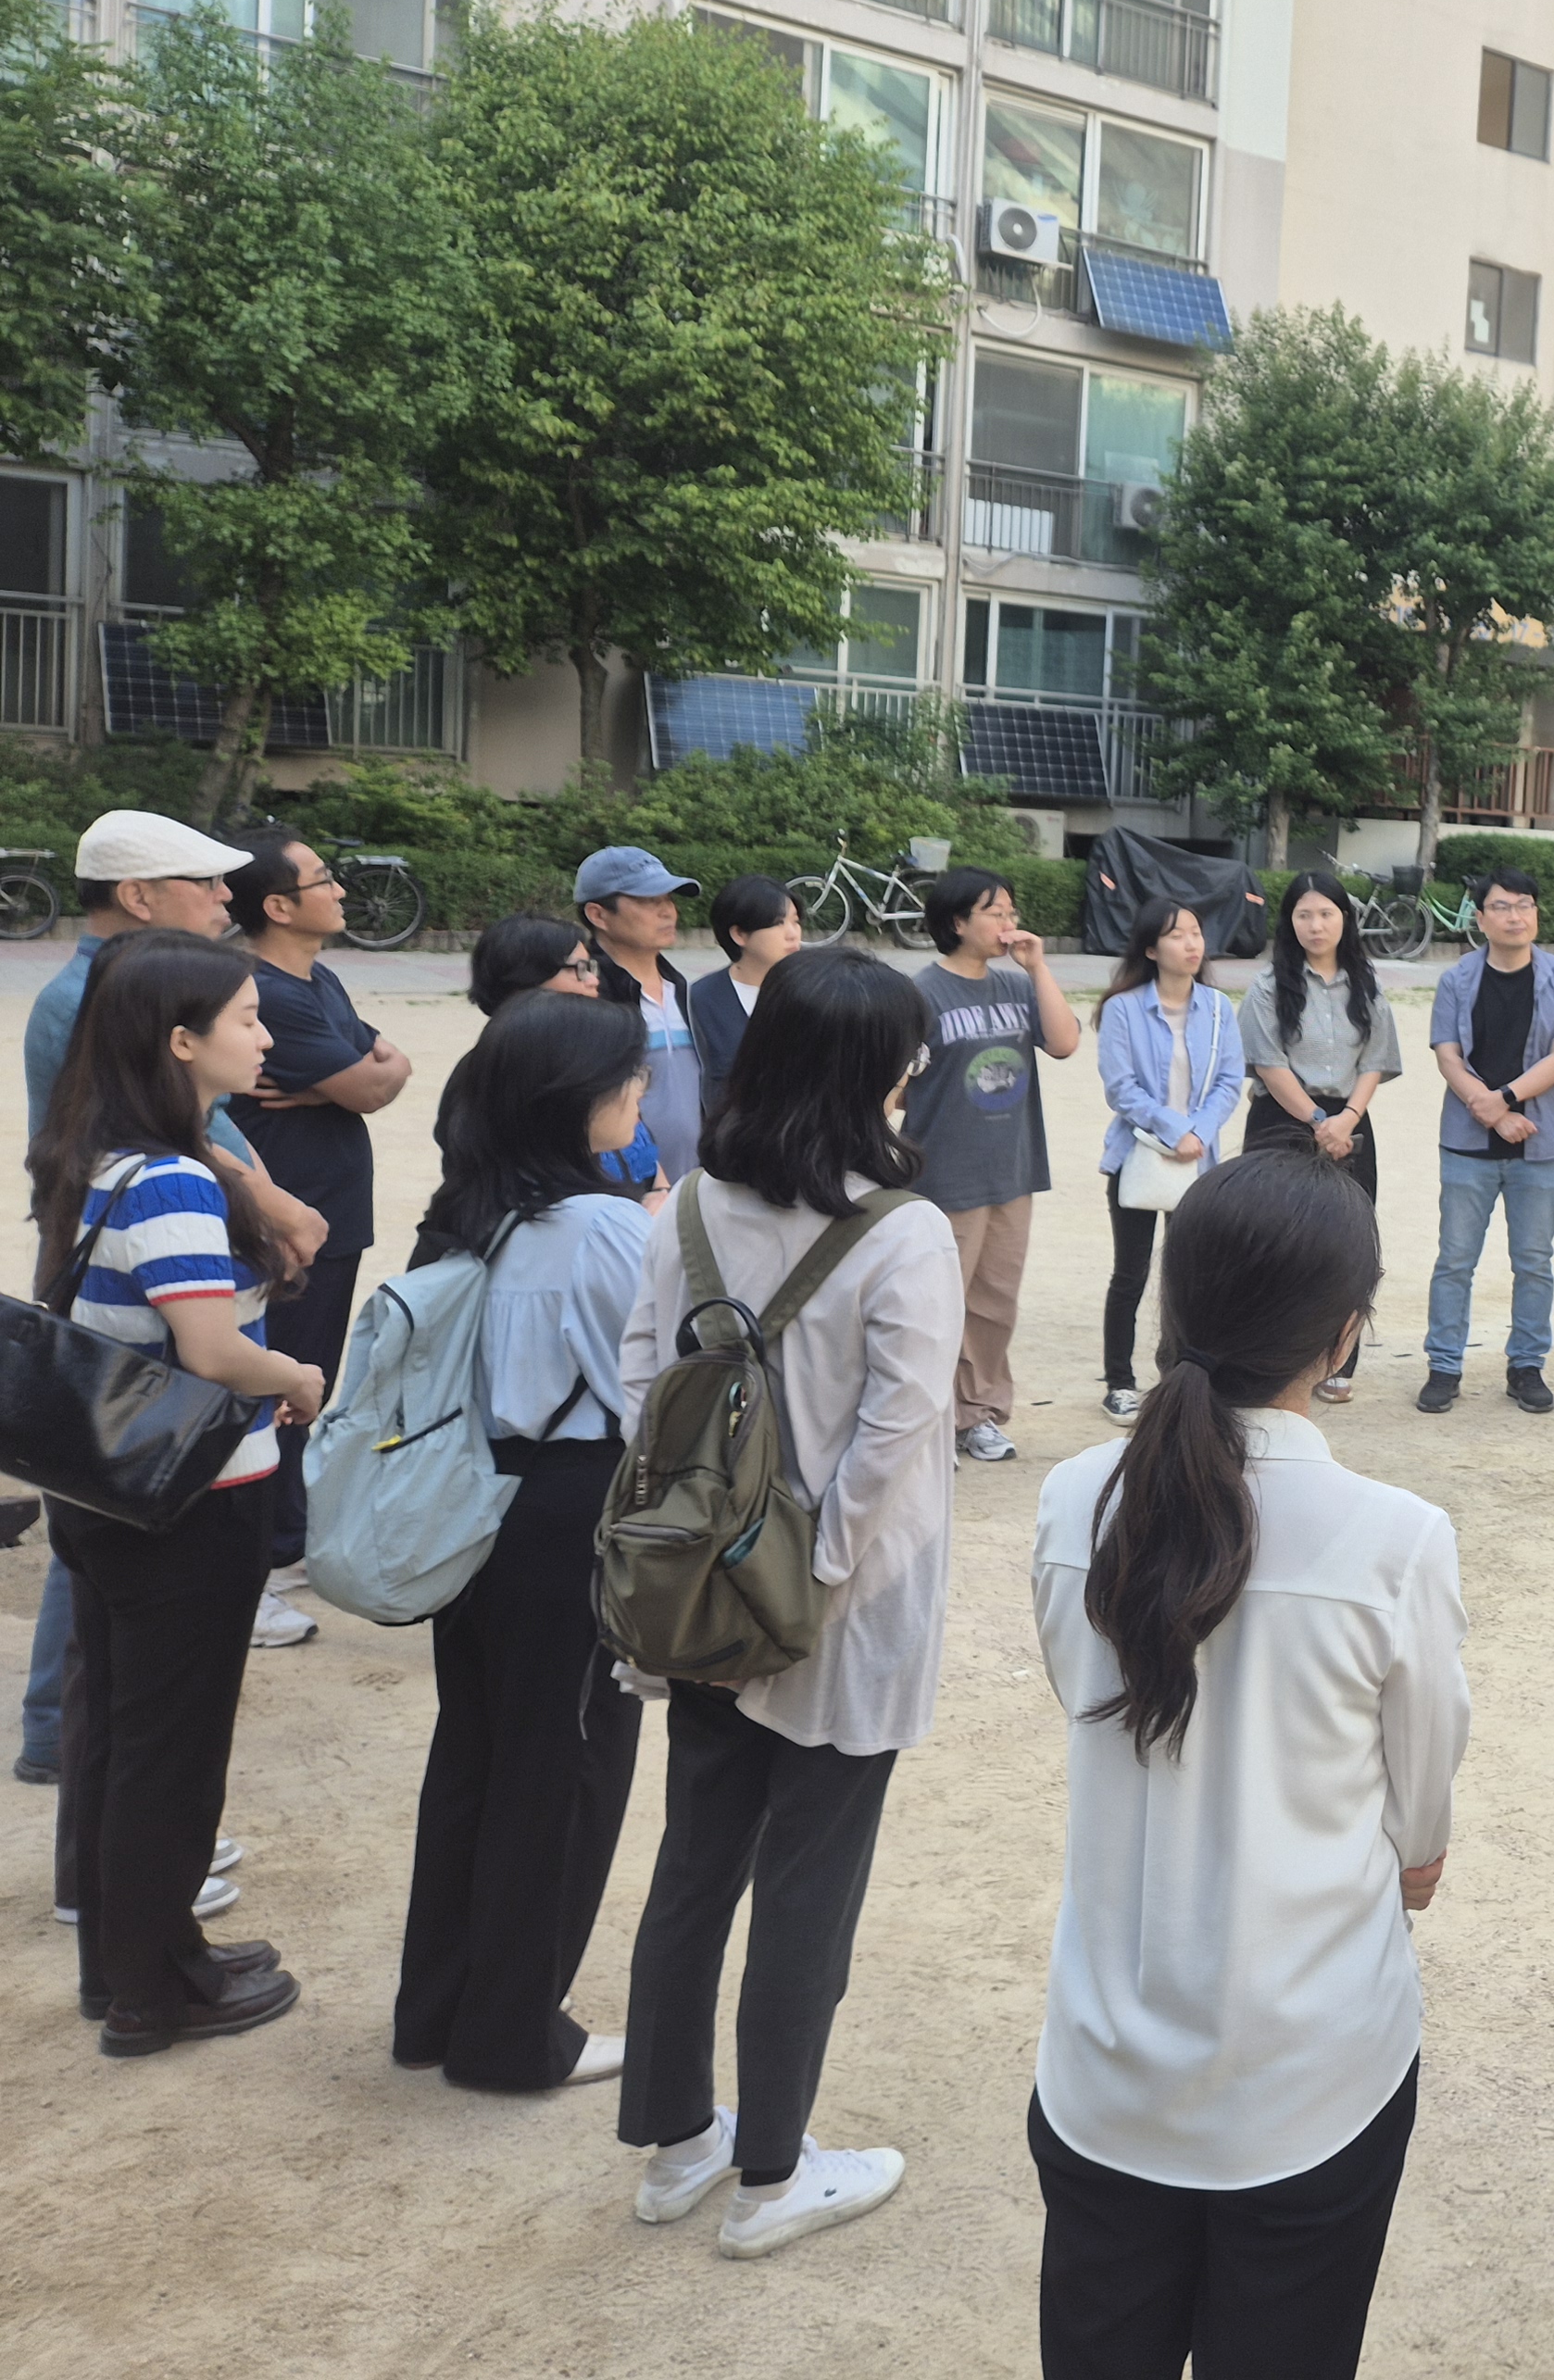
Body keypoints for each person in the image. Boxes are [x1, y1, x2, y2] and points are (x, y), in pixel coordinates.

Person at [1030, 1152, 1471, 2378]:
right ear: (1344, 1337)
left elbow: (1083, 1694)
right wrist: (1411, 1856)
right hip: (1311, 2077)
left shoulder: (1073, 1502)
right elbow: (1421, 1815)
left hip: (1105, 2072)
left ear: (1174, 1304)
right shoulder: (1396, 1541)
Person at [613, 946, 964, 2260]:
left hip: (698, 1593)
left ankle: (677, 2142)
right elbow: (896, 1437)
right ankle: (772, 2171)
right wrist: (814, 1580)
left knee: (694, 1865)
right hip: (841, 1612)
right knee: (810, 1888)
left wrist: (699, 1548)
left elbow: (643, 1382)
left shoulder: (691, 1208)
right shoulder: (903, 1232)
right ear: (875, 1073)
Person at [32, 933, 327, 2054]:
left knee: (123, 1733)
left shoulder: (101, 1156)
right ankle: (158, 1992)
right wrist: (293, 1375)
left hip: (107, 1493)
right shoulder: (170, 1179)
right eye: (247, 1017)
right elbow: (210, 1349)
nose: (265, 1034)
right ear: (181, 1042)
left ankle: (130, 1966)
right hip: (192, 1501)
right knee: (174, 1750)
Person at [391, 991, 654, 2093]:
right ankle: (513, 2036)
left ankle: (437, 2011)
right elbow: (652, 1391)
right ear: (575, 1100)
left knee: (477, 1754)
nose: (641, 1091)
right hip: (568, 1509)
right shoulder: (601, 1225)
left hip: (471, 1502)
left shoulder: (467, 1211)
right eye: (629, 1075)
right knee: (567, 1767)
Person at [20, 810, 316, 1788]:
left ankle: (75, 1750)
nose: (227, 898)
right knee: (121, 1505)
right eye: (205, 881)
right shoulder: (108, 1001)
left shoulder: (138, 992)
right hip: (168, 1380)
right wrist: (268, 1208)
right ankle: (58, 1732)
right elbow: (211, 1343)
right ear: (140, 897)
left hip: (159, 1308)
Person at [226, 827, 412, 1618]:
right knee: (283, 1379)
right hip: (288, 1219)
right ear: (277, 906)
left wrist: (346, 1081)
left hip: (329, 1213)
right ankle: (270, 1550)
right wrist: (352, 1081)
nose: (339, 891)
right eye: (323, 880)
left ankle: (288, 1530)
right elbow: (370, 1084)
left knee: (310, 1375)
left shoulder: (318, 977)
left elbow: (390, 1062)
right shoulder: (271, 992)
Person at [904, 863, 1081, 1464]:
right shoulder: (922, 993)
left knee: (994, 1303)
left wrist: (1037, 968)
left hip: (1012, 1168)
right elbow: (893, 1084)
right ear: (958, 922)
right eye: (995, 912)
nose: (1009, 923)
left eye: (1011, 911)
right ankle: (927, 1420)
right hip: (945, 1172)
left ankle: (977, 1414)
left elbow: (1064, 1042)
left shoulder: (1016, 986)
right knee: (938, 1304)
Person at [1420, 866, 1554, 1415]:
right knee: (1455, 1260)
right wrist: (1492, 1114)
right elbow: (1448, 1055)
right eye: (1501, 906)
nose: (1515, 916)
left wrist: (1506, 1099)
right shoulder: (1456, 980)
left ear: (1535, 913)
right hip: (1467, 1144)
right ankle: (1444, 1366)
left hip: (1538, 1142)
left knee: (1534, 1261)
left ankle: (1526, 1366)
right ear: (1480, 917)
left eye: (1524, 905)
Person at [1240, 874, 1402, 1404]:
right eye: (1304, 915)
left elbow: (1376, 1060)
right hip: (1282, 1118)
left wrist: (1347, 1117)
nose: (1316, 925)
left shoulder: (1367, 984)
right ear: (1289, 922)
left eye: (1327, 914)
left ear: (1345, 919)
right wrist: (1317, 1120)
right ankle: (1272, 1357)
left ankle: (1337, 1359)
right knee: (1274, 1241)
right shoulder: (1268, 986)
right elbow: (1268, 1063)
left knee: (1348, 1240)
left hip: (1351, 1121)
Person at [1094, 896, 1245, 1422]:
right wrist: (1176, 1129)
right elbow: (1121, 1088)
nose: (1191, 943)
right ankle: (1119, 1382)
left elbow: (1230, 1081)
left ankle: (1181, 1377)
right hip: (1139, 1153)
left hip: (1199, 1160)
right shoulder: (1122, 1008)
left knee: (1190, 1278)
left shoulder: (1219, 1008)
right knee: (1130, 1274)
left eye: (1196, 932)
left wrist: (1198, 1132)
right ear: (1151, 949)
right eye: (1177, 935)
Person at [463, 915, 665, 1204]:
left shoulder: (592, 1052)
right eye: (579, 970)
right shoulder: (495, 1075)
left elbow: (644, 1152)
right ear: (525, 980)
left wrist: (659, 1193)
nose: (594, 981)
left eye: (591, 968)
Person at [577, 846, 706, 1184]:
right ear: (598, 914)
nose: (667, 911)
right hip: (626, 1192)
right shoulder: (586, 999)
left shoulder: (686, 992)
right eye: (648, 901)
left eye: (668, 899)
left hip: (695, 1186)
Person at [687, 874, 803, 1098]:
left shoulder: (813, 990)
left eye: (795, 921)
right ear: (739, 934)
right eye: (778, 923)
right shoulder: (701, 999)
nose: (793, 934)